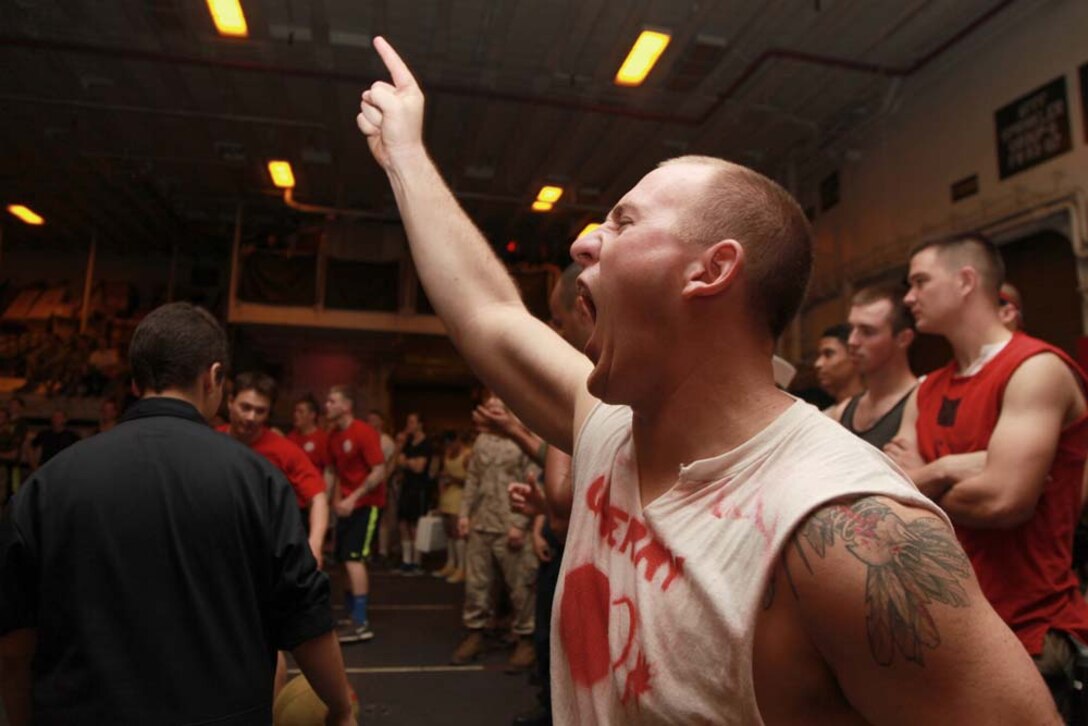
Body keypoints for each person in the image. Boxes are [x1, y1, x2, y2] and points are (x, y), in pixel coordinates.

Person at [355, 37, 1058, 723]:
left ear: (711, 270)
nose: (582, 243)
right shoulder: (612, 431)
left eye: (623, 222)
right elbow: (486, 312)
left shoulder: (838, 528)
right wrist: (407, 156)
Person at [0, 302, 354, 724]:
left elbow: (14, 647)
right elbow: (305, 617)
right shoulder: (257, 481)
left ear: (135, 382)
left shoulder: (45, 486)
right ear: (214, 377)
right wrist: (340, 706)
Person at [884, 234, 1088, 719]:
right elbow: (892, 496)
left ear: (965, 281)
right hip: (946, 632)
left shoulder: (1035, 369)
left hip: (1030, 631)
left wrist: (922, 483)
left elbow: (1004, 501)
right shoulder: (926, 389)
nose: (908, 298)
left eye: (919, 282)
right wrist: (951, 468)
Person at [452, 395, 539, 673]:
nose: (491, 413)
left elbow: (533, 485)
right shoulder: (482, 441)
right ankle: (475, 633)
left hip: (509, 524)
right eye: (488, 409)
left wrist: (519, 524)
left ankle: (526, 639)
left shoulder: (524, 440)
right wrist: (464, 514)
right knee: (476, 584)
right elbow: (473, 480)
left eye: (497, 409)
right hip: (482, 523)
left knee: (521, 586)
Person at [221, 373, 329, 567]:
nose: (251, 417)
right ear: (230, 402)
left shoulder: (283, 450)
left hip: (261, 551)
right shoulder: (210, 440)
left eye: (260, 411)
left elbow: (318, 496)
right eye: (245, 407)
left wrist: (315, 544)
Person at [325, 385, 386, 643]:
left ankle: (361, 623)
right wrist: (328, 503)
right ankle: (351, 616)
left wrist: (352, 498)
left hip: (367, 504)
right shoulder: (333, 436)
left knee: (354, 559)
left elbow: (379, 470)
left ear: (346, 406)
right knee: (341, 561)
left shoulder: (363, 432)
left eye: (332, 401)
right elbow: (332, 472)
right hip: (346, 505)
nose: (326, 405)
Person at [833, 282, 917, 448]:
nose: (852, 341)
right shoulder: (843, 411)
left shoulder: (922, 401)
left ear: (903, 339)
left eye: (867, 331)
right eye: (852, 329)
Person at [394, 412, 433, 575]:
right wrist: (402, 449)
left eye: (411, 422)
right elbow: (398, 460)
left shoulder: (426, 443)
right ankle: (406, 561)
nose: (408, 425)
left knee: (416, 525)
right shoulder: (408, 443)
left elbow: (419, 468)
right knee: (403, 523)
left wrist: (407, 462)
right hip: (406, 486)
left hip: (419, 488)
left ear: (419, 424)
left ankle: (417, 562)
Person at [435, 430, 472, 582]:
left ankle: (462, 568)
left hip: (461, 497)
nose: (449, 447)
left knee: (458, 533)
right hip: (448, 496)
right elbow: (444, 473)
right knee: (449, 532)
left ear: (457, 440)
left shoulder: (468, 455)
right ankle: (450, 563)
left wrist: (453, 479)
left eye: (451, 444)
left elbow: (473, 480)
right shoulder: (448, 454)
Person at [365, 410, 398, 566]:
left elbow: (390, 464)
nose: (370, 423)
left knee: (382, 519)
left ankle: (383, 551)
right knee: (367, 519)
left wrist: (383, 480)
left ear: (380, 422)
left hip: (382, 484)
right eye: (369, 420)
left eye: (374, 420)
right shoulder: (365, 439)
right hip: (366, 485)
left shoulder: (386, 441)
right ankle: (367, 551)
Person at [814, 323, 864, 413]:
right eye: (819, 355)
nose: (818, 364)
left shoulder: (882, 412)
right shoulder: (822, 419)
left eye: (828, 354)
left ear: (854, 356)